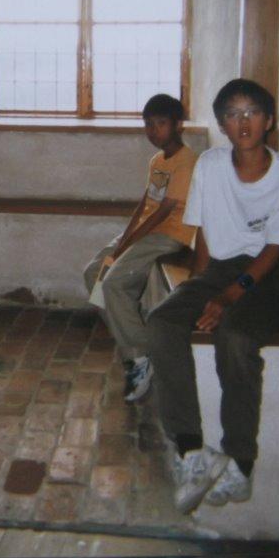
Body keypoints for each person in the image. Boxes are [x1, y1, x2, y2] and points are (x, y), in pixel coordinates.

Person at [146, 79, 279, 514]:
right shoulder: (211, 165)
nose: (243, 122)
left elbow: (274, 250)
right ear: (221, 125)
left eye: (252, 112)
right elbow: (203, 232)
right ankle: (191, 451)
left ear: (269, 120)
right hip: (222, 267)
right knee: (161, 322)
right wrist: (196, 288)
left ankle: (241, 462)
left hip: (277, 275)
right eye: (232, 115)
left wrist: (227, 297)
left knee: (235, 336)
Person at [83, 94, 197, 402]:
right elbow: (146, 205)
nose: (153, 131)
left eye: (161, 123)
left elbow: (164, 212)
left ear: (179, 125)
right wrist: (125, 237)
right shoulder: (157, 161)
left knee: (114, 284)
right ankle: (140, 341)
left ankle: (141, 355)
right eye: (148, 124)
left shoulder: (187, 161)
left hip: (169, 235)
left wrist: (130, 242)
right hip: (144, 233)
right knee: (93, 273)